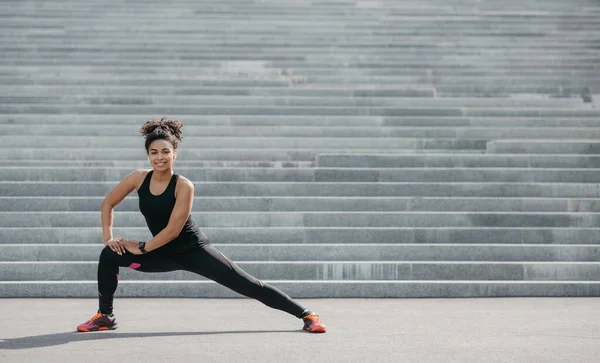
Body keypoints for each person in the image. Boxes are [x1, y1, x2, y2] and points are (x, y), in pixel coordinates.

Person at [76, 118, 326, 334]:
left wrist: (141, 248)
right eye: (154, 152)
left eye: (165, 151)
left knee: (250, 286)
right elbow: (108, 203)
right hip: (160, 252)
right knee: (109, 254)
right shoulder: (138, 178)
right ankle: (105, 316)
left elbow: (173, 230)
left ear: (175, 152)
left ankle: (307, 315)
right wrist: (109, 238)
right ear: (148, 155)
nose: (159, 157)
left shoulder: (184, 185)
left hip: (193, 251)